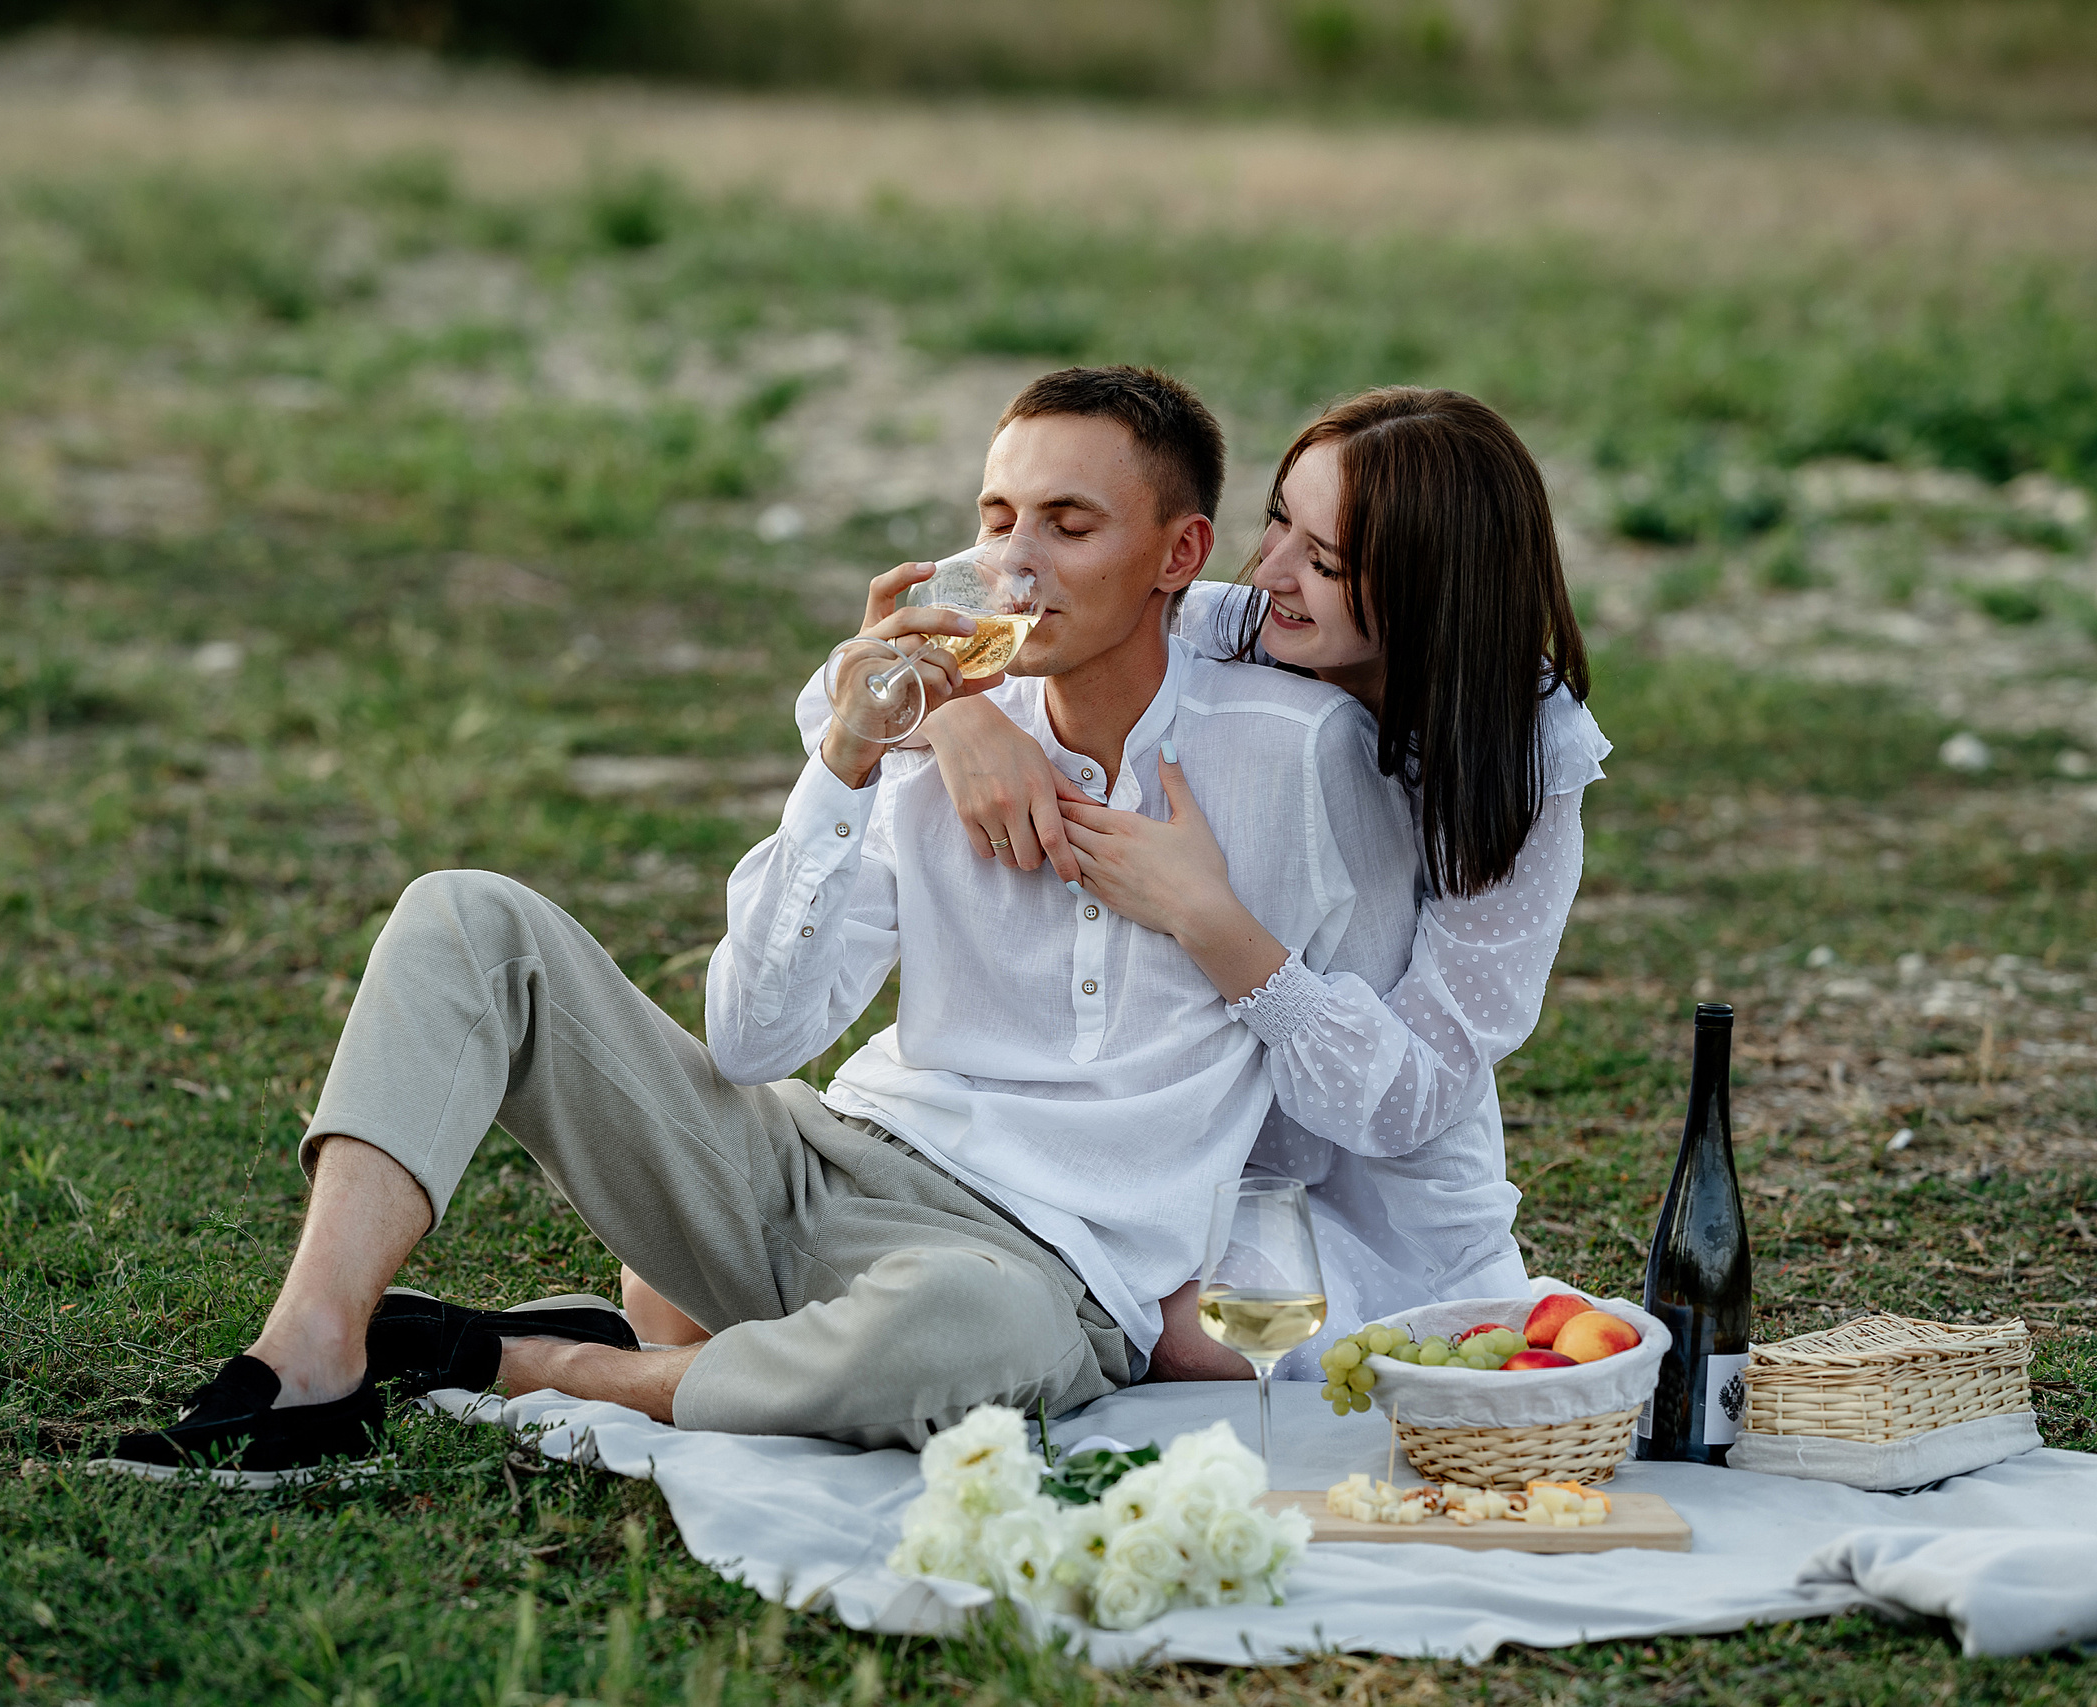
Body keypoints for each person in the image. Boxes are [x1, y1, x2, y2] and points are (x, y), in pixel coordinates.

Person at [93, 365, 1421, 1483]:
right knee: (467, 919)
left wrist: (1213, 921)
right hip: (814, 1161)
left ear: (1178, 556)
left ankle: (540, 1358)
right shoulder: (929, 721)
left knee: (966, 1341)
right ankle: (308, 1355)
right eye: (998, 514)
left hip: (1038, 1271)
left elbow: (1355, 1082)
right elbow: (751, 1032)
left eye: (1070, 525)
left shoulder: (1301, 758)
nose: (1016, 560)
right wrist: (849, 759)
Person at [704, 386, 1604, 1380]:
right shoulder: (1243, 624)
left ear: (1432, 589)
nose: (1269, 571)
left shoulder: (1522, 767)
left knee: (1203, 1336)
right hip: (1170, 1138)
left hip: (1355, 1170)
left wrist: (1207, 918)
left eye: (1324, 559)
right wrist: (961, 720)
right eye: (1276, 523)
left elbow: (1411, 1101)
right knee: (698, 1273)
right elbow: (848, 685)